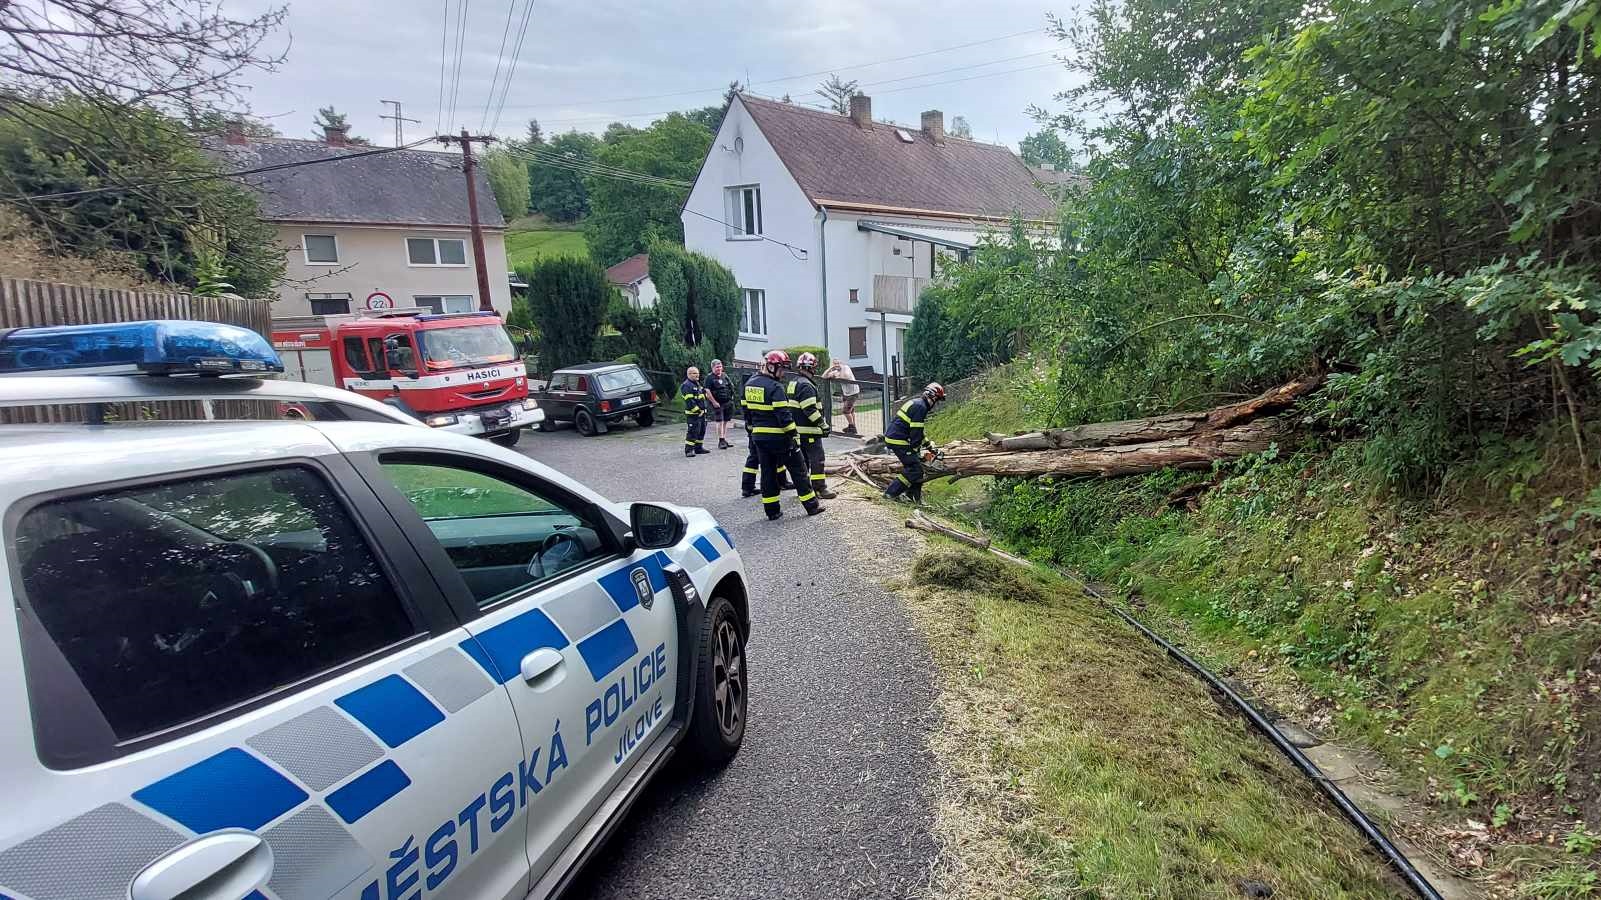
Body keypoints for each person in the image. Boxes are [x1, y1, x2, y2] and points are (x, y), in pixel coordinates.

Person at [744, 350, 824, 519]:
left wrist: (752, 431)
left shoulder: (750, 384)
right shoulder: (775, 387)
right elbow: (784, 417)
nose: (783, 373)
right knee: (799, 471)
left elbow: (747, 412)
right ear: (770, 366)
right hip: (780, 438)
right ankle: (812, 506)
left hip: (759, 438)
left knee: (768, 473)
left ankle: (772, 511)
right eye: (781, 369)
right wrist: (793, 435)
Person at [882, 382, 946, 504]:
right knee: (915, 469)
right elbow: (915, 435)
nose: (935, 404)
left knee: (917, 467)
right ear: (931, 396)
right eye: (936, 400)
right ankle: (890, 494)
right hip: (898, 440)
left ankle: (914, 498)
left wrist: (930, 447)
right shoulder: (921, 407)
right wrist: (919, 453)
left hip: (898, 437)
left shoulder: (918, 403)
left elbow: (919, 432)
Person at [789, 353, 836, 500]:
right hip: (809, 431)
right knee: (817, 460)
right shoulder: (806, 385)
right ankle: (820, 488)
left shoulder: (794, 382)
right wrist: (823, 425)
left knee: (804, 462)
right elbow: (809, 409)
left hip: (798, 431)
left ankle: (805, 489)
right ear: (812, 368)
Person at [821, 359, 860, 436]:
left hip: (853, 392)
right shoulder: (835, 371)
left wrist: (840, 369)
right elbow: (824, 376)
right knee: (850, 410)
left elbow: (844, 377)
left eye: (838, 363)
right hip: (846, 393)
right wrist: (830, 369)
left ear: (841, 363)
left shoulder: (846, 368)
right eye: (835, 363)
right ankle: (852, 426)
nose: (837, 365)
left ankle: (852, 427)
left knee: (846, 411)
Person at [705, 359, 736, 449]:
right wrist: (714, 402)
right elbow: (707, 391)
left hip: (727, 402)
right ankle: (720, 441)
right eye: (717, 367)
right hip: (718, 403)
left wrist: (732, 397)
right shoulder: (709, 378)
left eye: (720, 366)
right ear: (713, 367)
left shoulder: (724, 375)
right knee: (720, 421)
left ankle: (724, 439)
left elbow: (730, 386)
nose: (719, 369)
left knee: (726, 421)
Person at [680, 366, 710, 458]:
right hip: (693, 414)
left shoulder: (697, 384)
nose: (697, 375)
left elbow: (701, 397)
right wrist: (697, 411)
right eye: (694, 373)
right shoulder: (686, 385)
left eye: (697, 373)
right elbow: (689, 401)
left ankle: (698, 448)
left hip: (702, 413)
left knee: (701, 431)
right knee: (693, 432)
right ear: (689, 374)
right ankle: (689, 450)